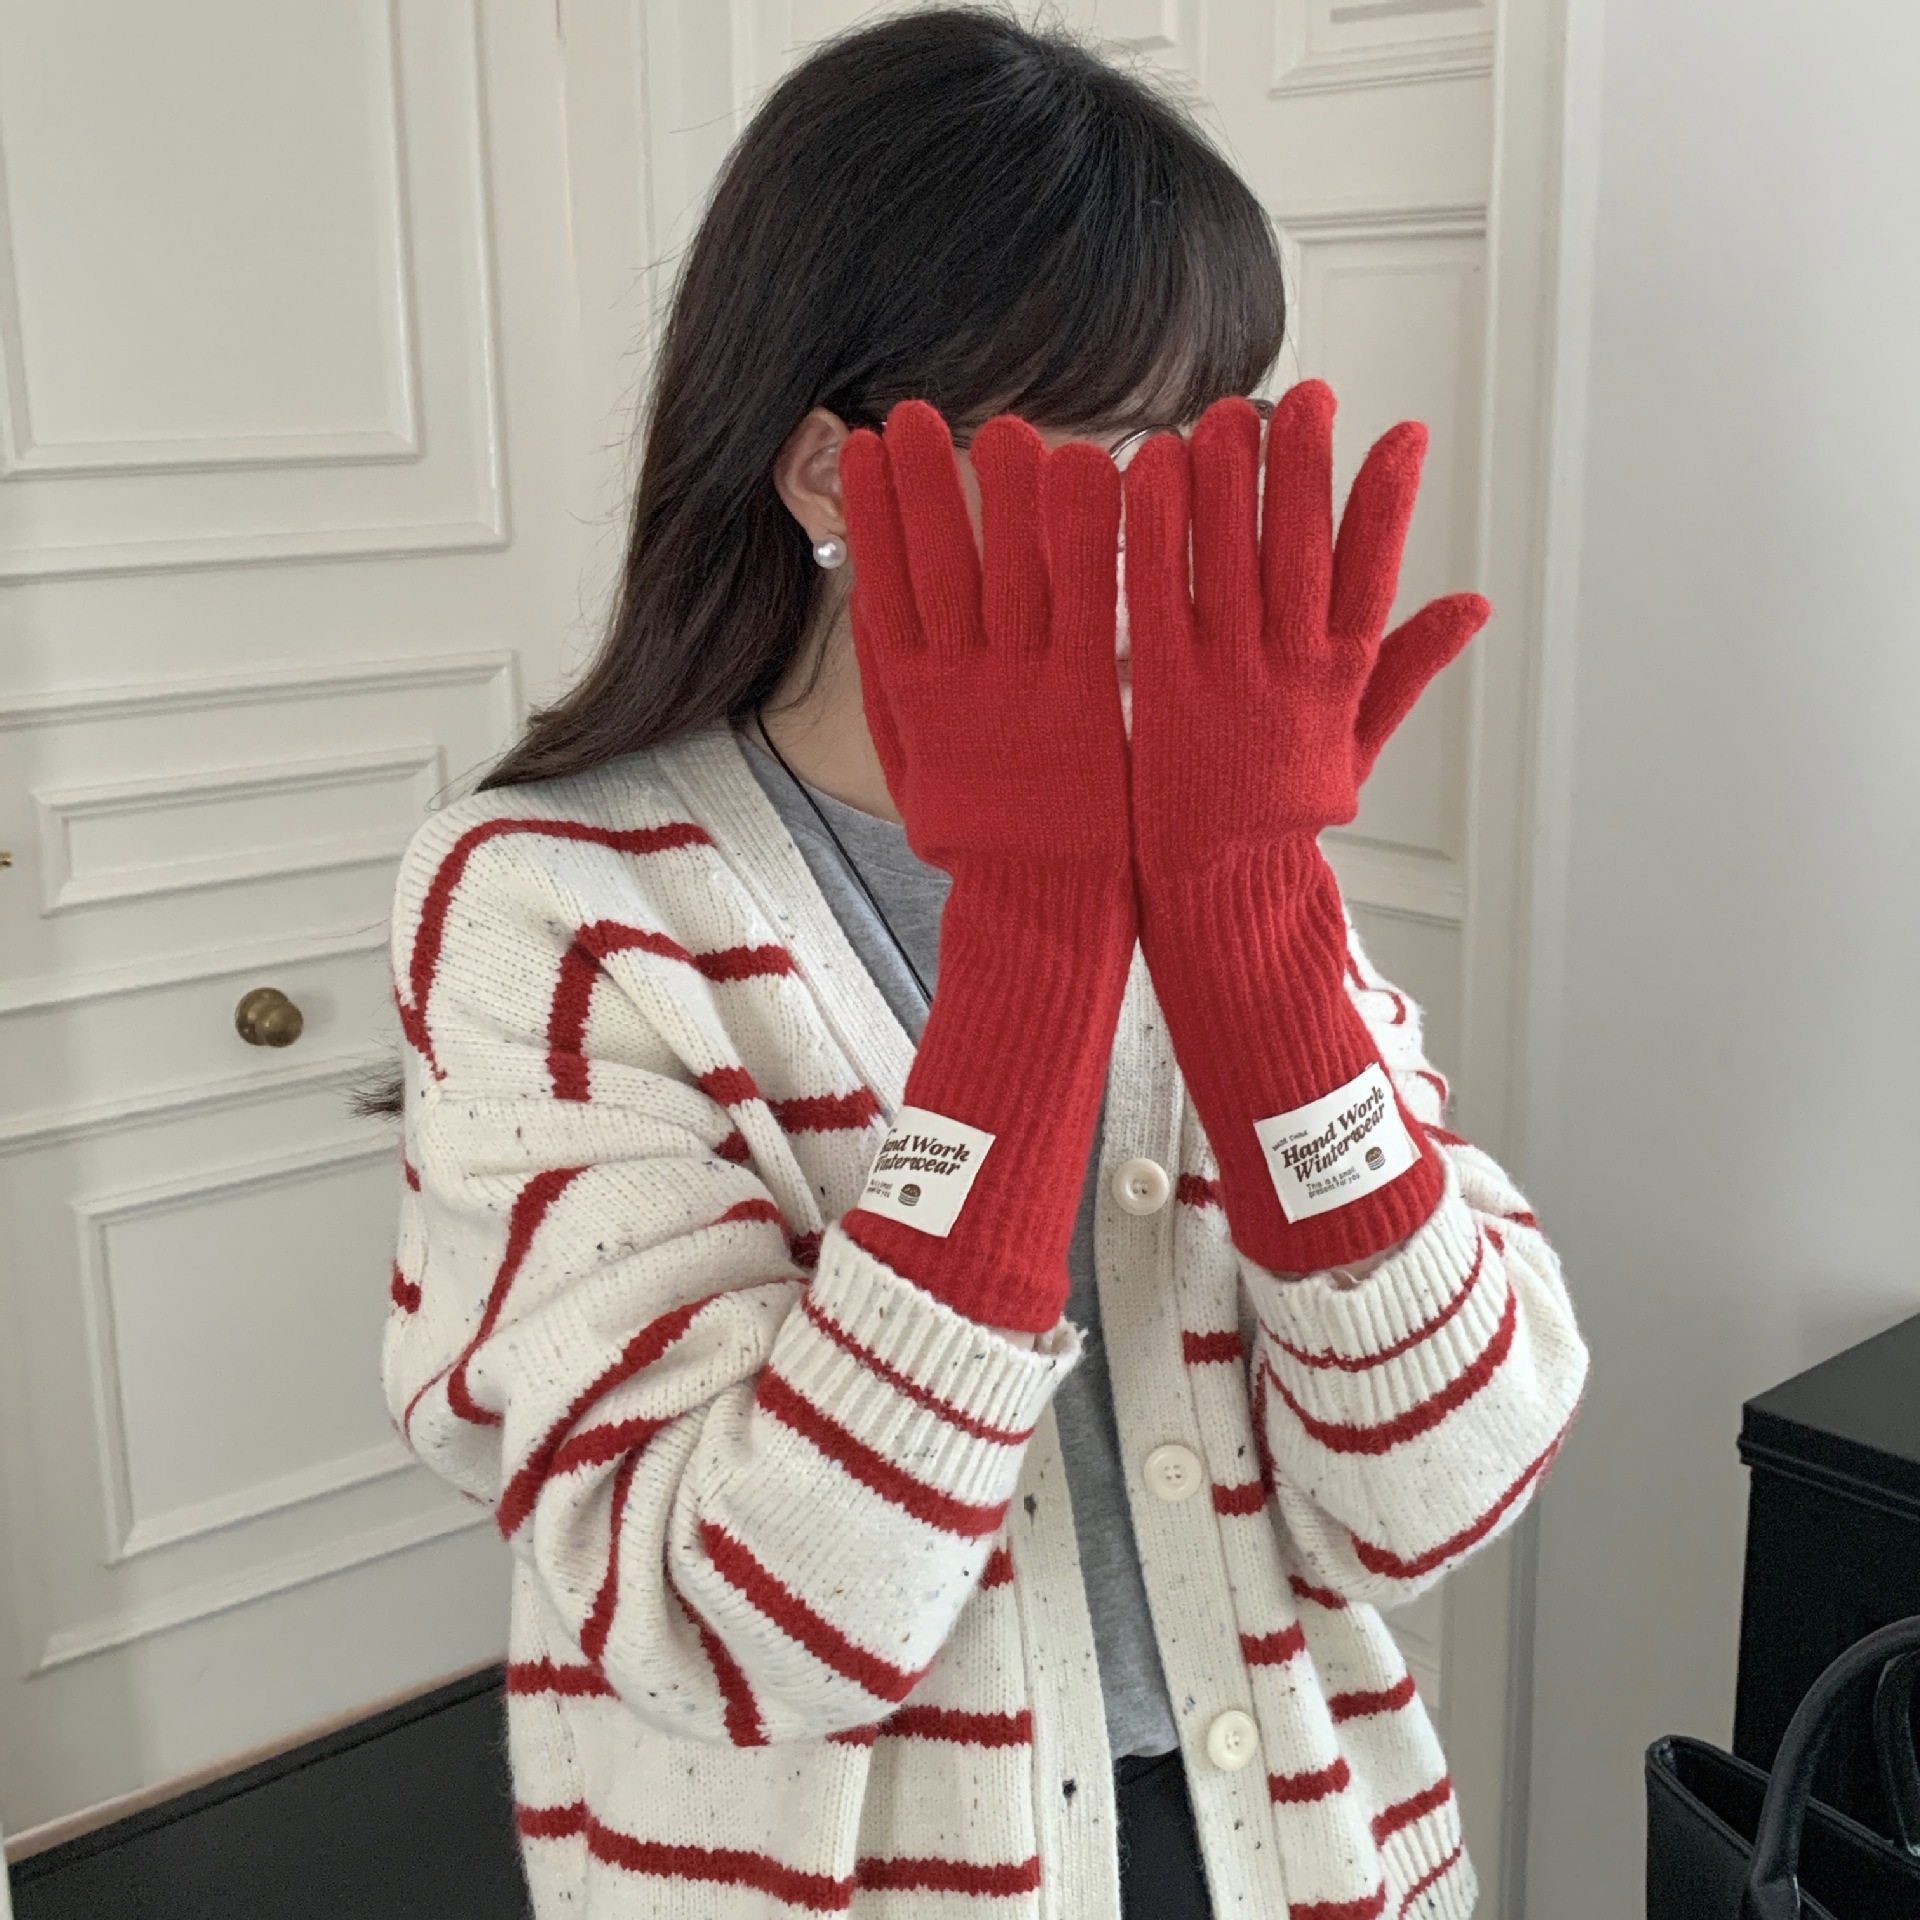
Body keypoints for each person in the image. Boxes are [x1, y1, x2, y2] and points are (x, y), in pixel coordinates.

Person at [380, 11, 1588, 1918]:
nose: (1185, 513)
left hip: (1296, 1846)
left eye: (1217, 434)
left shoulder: (1220, 834)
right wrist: (1029, 942)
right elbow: (726, 1624)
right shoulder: (552, 900)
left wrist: (1257, 930)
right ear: (830, 474)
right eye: (1102, 444)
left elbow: (1442, 1494)